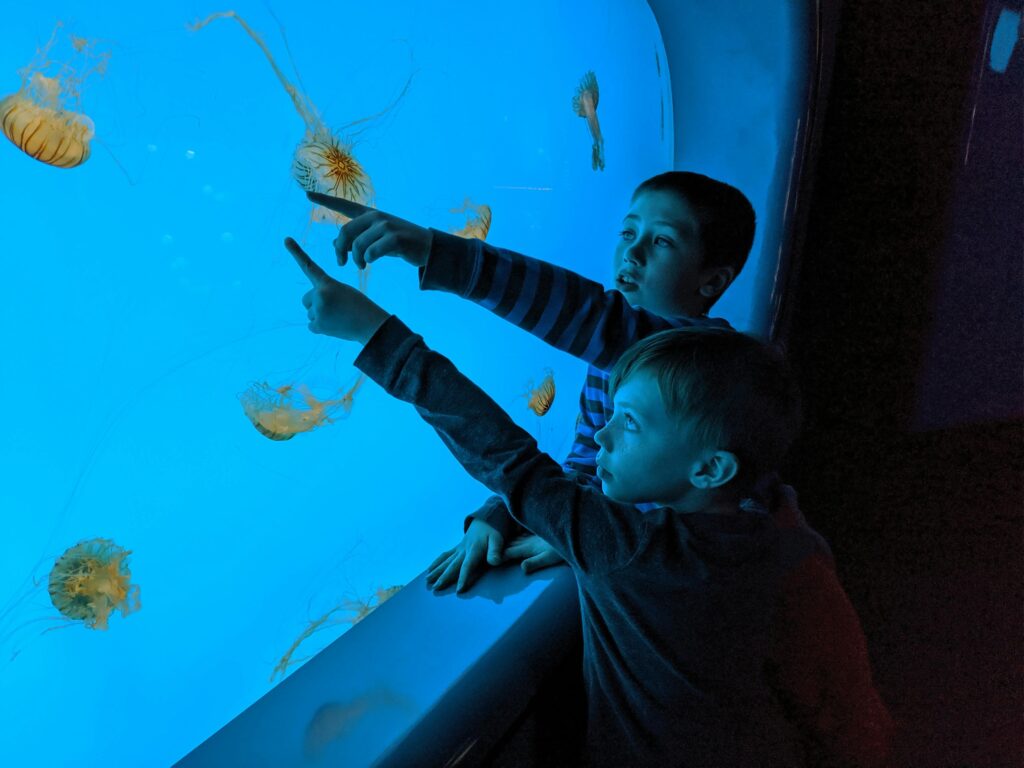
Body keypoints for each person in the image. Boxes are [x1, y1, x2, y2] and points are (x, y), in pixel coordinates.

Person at [283, 236, 892, 767]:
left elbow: (507, 457)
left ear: (709, 468)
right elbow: (844, 704)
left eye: (628, 422)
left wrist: (372, 332)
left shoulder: (630, 548)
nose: (602, 432)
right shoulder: (788, 536)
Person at [309, 171, 755, 594]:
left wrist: (437, 253)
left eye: (661, 241)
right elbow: (589, 461)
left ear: (713, 280)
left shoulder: (710, 362)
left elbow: (596, 319)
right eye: (627, 233)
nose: (632, 254)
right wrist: (505, 514)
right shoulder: (609, 366)